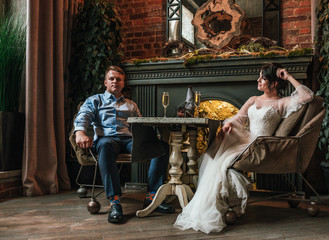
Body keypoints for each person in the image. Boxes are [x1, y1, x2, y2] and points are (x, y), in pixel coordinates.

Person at [174, 63, 314, 233]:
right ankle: (213, 206)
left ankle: (223, 205)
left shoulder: (282, 103)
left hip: (260, 144)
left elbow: (307, 97)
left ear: (274, 83)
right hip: (245, 138)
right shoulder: (253, 99)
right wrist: (227, 126)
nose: (258, 80)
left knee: (223, 161)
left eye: (263, 77)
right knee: (220, 154)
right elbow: (238, 118)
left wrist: (288, 76)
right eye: (259, 76)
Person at [74, 65, 174, 224]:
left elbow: (139, 125)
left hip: (129, 139)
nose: (115, 81)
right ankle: (115, 203)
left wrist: (149, 137)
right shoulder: (95, 100)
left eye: (119, 79)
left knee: (161, 148)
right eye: (111, 78)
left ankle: (152, 197)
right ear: (105, 82)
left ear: (123, 83)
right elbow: (83, 116)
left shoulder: (131, 104)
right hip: (107, 139)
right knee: (105, 145)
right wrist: (80, 132)